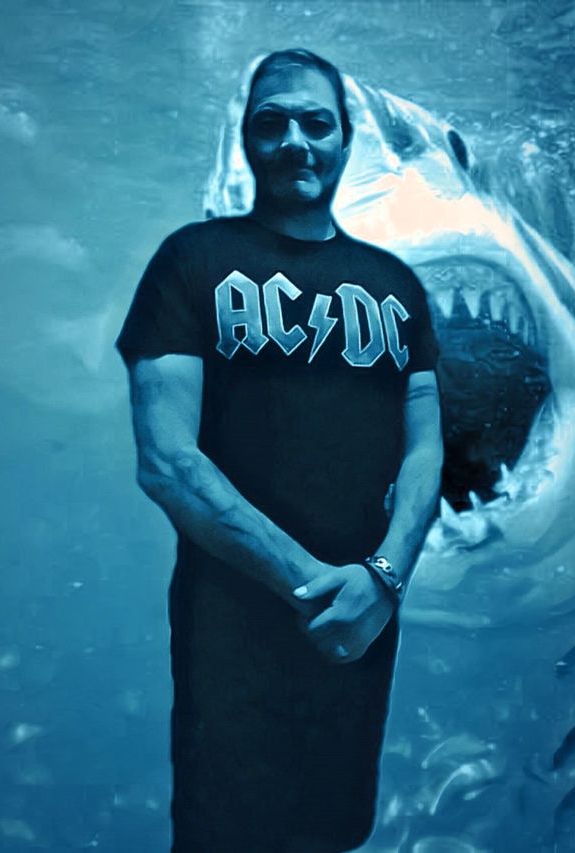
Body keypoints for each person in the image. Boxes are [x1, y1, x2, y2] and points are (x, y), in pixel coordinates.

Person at [115, 48, 443, 853]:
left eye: (316, 123)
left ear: (344, 139)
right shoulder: (191, 259)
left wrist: (384, 580)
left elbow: (427, 448)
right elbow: (166, 461)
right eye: (273, 122)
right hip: (235, 642)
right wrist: (324, 592)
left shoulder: (398, 285)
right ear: (248, 141)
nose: (296, 140)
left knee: (338, 831)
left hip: (362, 637)